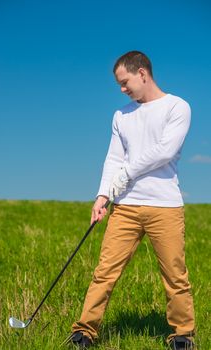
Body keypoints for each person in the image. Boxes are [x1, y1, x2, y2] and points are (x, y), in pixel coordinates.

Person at [68, 51, 195, 349]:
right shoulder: (121, 115)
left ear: (142, 73)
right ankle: (85, 331)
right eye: (119, 85)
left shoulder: (177, 107)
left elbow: (165, 150)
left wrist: (127, 171)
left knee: (175, 275)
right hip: (124, 207)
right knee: (104, 272)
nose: (122, 89)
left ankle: (182, 335)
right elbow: (113, 158)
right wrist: (102, 195)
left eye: (125, 82)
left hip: (165, 206)